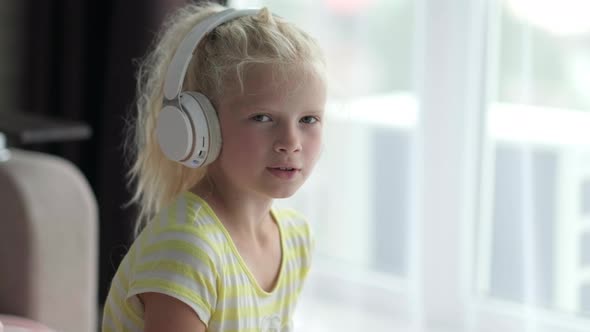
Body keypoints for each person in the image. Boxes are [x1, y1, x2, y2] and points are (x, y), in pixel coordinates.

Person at [101, 2, 327, 332]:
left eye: (308, 119)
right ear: (200, 127)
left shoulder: (295, 239)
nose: (291, 141)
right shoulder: (186, 247)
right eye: (262, 117)